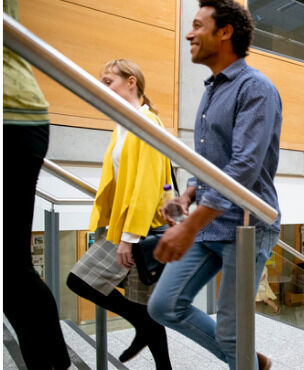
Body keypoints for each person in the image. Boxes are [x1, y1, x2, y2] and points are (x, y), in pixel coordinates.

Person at [146, 1, 282, 369]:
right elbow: (209, 162)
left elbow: (244, 167)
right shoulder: (211, 90)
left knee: (232, 332)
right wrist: (190, 192)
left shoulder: (256, 88)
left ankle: (245, 360)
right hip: (210, 222)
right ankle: (251, 362)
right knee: (163, 305)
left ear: (225, 32)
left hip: (246, 226)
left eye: (197, 26)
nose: (188, 34)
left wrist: (189, 226)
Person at [66, 59, 172, 368]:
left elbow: (148, 185)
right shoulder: (123, 125)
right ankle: (146, 328)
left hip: (135, 231)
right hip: (120, 227)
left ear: (131, 82)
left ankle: (143, 323)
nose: (104, 87)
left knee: (80, 281)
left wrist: (128, 237)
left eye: (108, 81)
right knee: (141, 306)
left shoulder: (146, 122)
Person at [3, 0, 72, 368]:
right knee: (11, 272)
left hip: (10, 115)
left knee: (11, 273)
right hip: (17, 116)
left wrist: (128, 235)